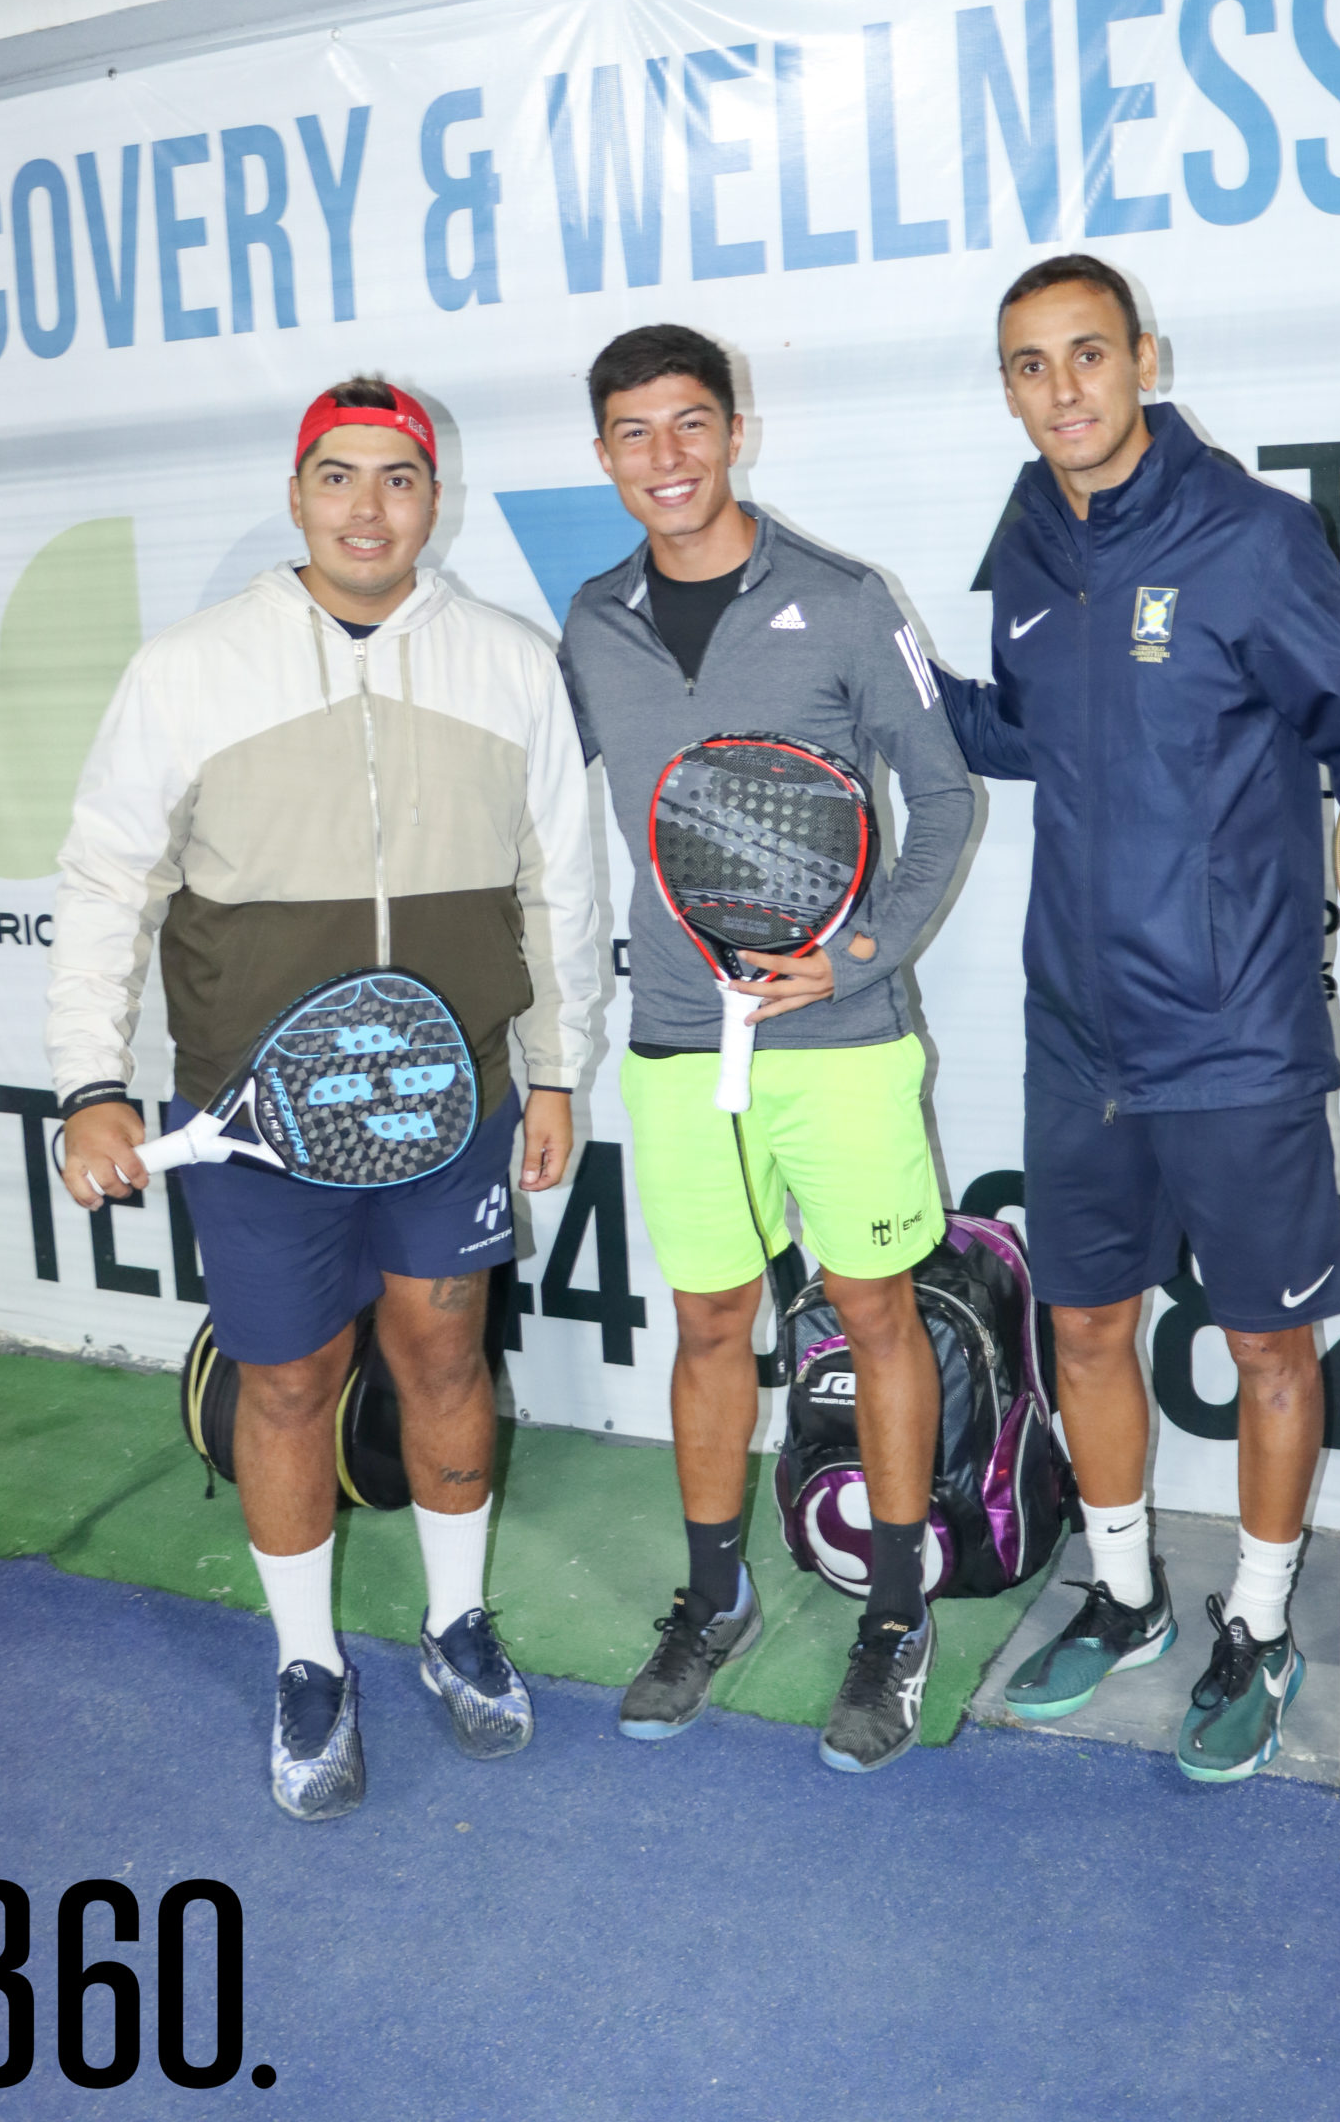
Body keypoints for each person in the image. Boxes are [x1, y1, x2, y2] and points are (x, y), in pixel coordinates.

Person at [935, 254, 1340, 1782]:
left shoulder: (1256, 539)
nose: (1063, 389)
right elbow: (1024, 736)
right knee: (1085, 1324)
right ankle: (1132, 1595)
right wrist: (874, 688)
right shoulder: (1023, 539)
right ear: (1008, 385)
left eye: (1088, 355)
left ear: (1145, 356)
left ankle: (1264, 1621)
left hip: (1234, 1031)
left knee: (1274, 1348)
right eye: (1030, 365)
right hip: (1077, 1031)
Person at [51, 378, 599, 1819]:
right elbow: (108, 879)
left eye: (400, 478)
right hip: (256, 1117)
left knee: (443, 1356)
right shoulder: (188, 668)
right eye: (340, 477)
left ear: (439, 498)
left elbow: (559, 884)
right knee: (285, 1383)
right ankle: (310, 1667)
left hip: (455, 1098)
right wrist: (89, 1084)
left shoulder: (509, 663)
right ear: (296, 496)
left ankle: (455, 1625)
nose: (370, 506)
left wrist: (553, 1066)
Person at [559, 324, 974, 1772]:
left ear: (736, 430)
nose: (664, 459)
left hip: (843, 1040)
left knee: (874, 1316)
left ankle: (899, 1615)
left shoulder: (849, 604)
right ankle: (718, 1597)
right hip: (678, 1045)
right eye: (632, 434)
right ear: (602, 453)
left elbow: (946, 797)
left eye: (688, 426)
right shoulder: (591, 621)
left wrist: (856, 955)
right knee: (713, 1327)